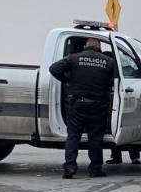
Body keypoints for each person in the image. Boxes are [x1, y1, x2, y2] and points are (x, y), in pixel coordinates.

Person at [49, 38, 116, 179]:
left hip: (78, 105)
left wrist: (67, 80)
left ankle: (69, 167)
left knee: (73, 136)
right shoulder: (108, 61)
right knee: (96, 138)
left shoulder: (74, 58)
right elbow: (116, 79)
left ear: (85, 45)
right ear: (99, 46)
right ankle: (95, 169)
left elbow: (53, 69)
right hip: (98, 106)